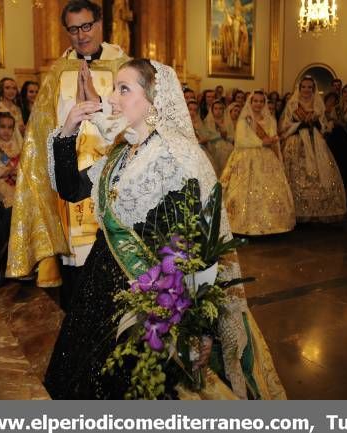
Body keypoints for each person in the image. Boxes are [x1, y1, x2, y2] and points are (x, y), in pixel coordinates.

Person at [43, 58, 285, 400]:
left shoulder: (177, 157)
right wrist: (67, 131)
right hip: (98, 292)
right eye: (114, 88)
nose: (112, 98)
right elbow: (71, 188)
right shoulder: (121, 153)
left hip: (143, 307)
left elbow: (194, 249)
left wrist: (197, 328)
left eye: (123, 89)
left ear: (154, 99)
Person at [7, 0, 130, 294]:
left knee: (115, 269)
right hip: (71, 180)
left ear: (100, 23)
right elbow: (40, 133)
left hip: (113, 177)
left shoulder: (124, 67)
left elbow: (136, 122)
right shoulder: (58, 73)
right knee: (78, 275)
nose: (81, 35)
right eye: (73, 29)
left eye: (86, 26)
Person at [220, 91, 295, 235]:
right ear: (251, 102)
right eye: (256, 101)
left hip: (267, 158)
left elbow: (273, 138)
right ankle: (240, 224)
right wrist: (262, 142)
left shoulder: (270, 120)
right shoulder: (244, 120)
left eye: (261, 101)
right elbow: (241, 141)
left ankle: (271, 224)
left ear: (264, 103)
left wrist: (276, 149)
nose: (258, 104)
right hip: (246, 157)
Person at [280, 76, 347, 222]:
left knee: (320, 174)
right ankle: (297, 211)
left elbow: (323, 126)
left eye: (309, 87)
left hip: (316, 142)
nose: (306, 90)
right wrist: (299, 125)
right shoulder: (292, 104)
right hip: (296, 141)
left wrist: (316, 124)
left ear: (314, 89)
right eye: (303, 87)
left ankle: (316, 211)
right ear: (299, 88)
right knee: (297, 175)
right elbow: (285, 125)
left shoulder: (318, 104)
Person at [204, 100, 234, 176]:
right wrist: (220, 135)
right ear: (212, 110)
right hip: (212, 146)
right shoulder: (207, 121)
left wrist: (226, 136)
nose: (218, 111)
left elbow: (232, 136)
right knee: (220, 149)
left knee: (228, 150)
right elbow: (207, 137)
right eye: (216, 108)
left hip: (227, 145)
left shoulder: (228, 121)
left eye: (220, 109)